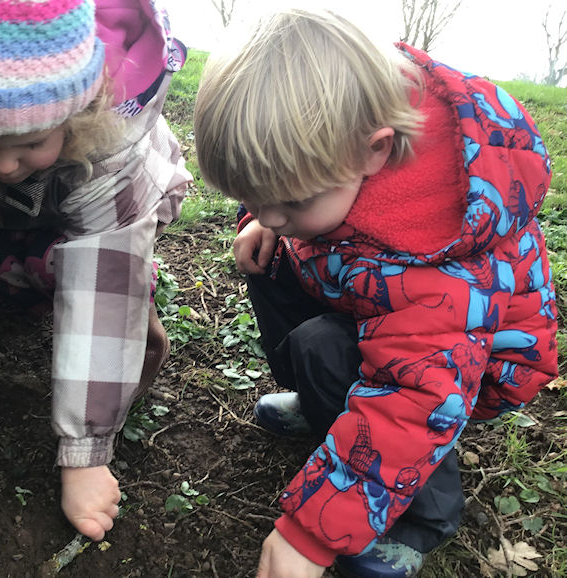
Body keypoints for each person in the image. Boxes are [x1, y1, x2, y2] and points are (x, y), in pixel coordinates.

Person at [194, 8, 556, 578]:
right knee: (271, 262)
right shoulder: (337, 153)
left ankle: (421, 519)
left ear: (373, 151)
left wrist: (310, 535)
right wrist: (270, 218)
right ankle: (328, 402)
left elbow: (417, 401)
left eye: (287, 200)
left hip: (462, 369)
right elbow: (294, 207)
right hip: (377, 302)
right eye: (251, 194)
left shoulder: (437, 253)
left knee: (329, 351)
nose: (268, 214)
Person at [0, 0, 191, 542]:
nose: (7, 164)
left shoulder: (109, 149)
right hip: (47, 197)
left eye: (31, 141)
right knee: (5, 267)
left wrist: (83, 456)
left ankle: (141, 337)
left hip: (120, 204)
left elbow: (102, 290)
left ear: (77, 113)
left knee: (102, 284)